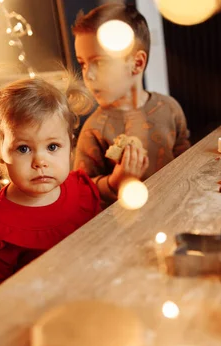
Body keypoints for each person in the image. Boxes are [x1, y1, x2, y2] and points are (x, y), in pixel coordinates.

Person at [0, 69, 100, 298]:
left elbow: (104, 236)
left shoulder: (81, 190)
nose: (40, 161)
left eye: (52, 147)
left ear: (70, 145)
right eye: (23, 148)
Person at [72, 3, 191, 208]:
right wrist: (114, 182)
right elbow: (79, 192)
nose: (88, 75)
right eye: (83, 63)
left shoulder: (170, 109)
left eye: (99, 62)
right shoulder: (94, 130)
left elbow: (186, 162)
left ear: (136, 64)